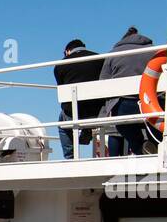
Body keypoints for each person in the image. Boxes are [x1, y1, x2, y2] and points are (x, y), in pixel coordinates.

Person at [98, 27, 156, 156]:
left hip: (125, 106)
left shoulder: (113, 54)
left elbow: (103, 83)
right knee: (156, 125)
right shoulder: (154, 51)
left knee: (123, 125)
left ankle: (140, 148)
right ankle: (157, 146)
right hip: (151, 103)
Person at [53, 39, 105, 159]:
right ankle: (87, 130)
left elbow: (62, 91)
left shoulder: (60, 65)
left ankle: (70, 157)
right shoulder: (101, 59)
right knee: (88, 109)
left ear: (67, 51)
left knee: (61, 123)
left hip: (75, 112)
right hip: (99, 110)